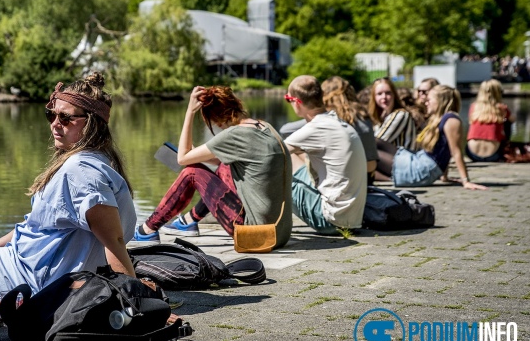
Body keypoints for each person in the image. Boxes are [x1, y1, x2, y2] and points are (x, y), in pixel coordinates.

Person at [0, 73, 136, 307]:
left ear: (91, 123)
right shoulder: (95, 160)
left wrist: (133, 302)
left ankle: (0, 303)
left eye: (65, 118)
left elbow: (114, 240)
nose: (55, 124)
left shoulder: (82, 171)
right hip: (24, 262)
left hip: (31, 278)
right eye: (51, 114)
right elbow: (31, 226)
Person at [131, 85, 292, 248]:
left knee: (191, 173)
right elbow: (217, 160)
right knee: (223, 165)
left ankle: (147, 230)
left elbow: (182, 158)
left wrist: (190, 112)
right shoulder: (265, 127)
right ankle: (189, 221)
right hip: (280, 232)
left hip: (255, 234)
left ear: (218, 119)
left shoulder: (235, 134)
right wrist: (195, 155)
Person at [283, 76, 367, 235]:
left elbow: (270, 154)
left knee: (275, 164)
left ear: (297, 102)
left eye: (288, 99)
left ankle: (261, 222)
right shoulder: (335, 121)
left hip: (329, 221)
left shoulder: (316, 128)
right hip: (353, 219)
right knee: (295, 155)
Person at [375, 85, 487, 190]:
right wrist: (444, 177)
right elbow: (444, 150)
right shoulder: (443, 119)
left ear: (440, 101)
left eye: (429, 100)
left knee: (368, 148)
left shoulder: (451, 120)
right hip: (420, 162)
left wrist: (465, 181)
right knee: (373, 142)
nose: (426, 102)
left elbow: (456, 151)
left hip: (422, 170)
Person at [280, 77, 378, 186]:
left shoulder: (319, 124)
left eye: (288, 99)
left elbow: (283, 134)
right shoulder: (358, 115)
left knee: (288, 155)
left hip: (336, 193)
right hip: (368, 176)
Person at [466, 79, 513, 162]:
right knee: (508, 122)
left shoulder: (474, 107)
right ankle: (507, 145)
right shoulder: (502, 108)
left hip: (472, 153)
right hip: (494, 155)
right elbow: (513, 119)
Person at [369, 77, 418, 151]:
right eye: (379, 94)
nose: (384, 97)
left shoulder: (400, 114)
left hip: (406, 159)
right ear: (374, 97)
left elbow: (378, 141)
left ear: (394, 95)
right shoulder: (384, 115)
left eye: (388, 93)